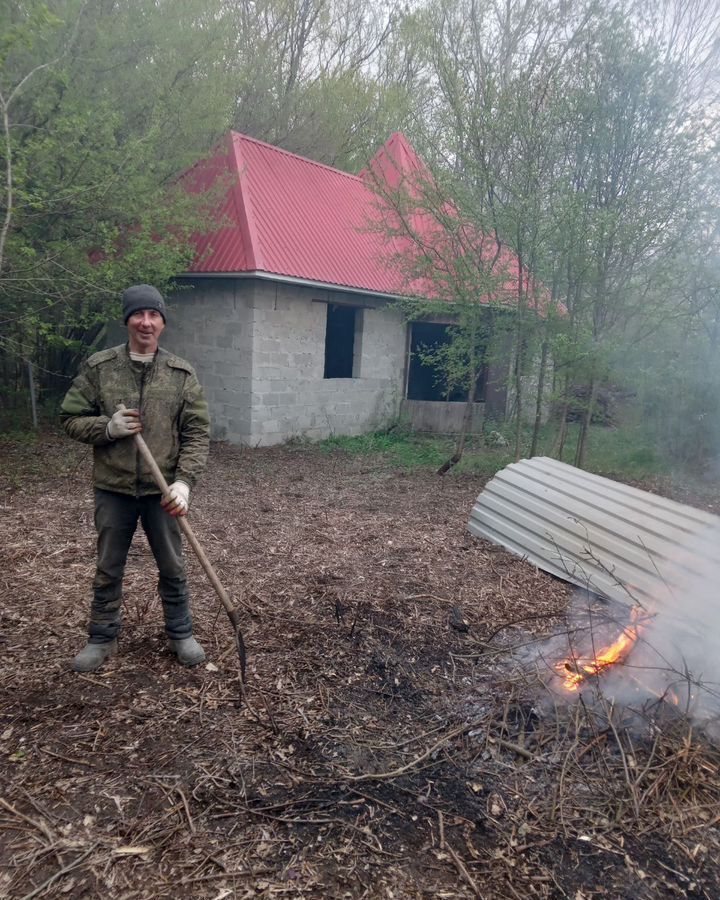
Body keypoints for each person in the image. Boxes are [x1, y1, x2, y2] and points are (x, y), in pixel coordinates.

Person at [61, 284, 211, 672]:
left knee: (173, 565)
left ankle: (181, 633)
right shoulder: (100, 367)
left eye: (154, 315)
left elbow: (197, 433)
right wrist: (106, 428)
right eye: (138, 314)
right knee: (109, 565)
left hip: (162, 491)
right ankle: (101, 637)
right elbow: (70, 419)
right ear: (127, 320)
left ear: (163, 322)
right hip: (114, 487)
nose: (146, 322)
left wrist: (184, 482)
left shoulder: (181, 373)